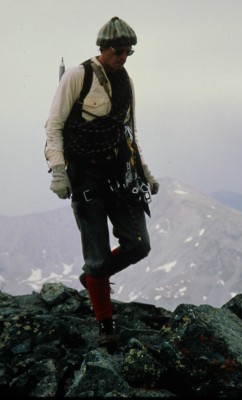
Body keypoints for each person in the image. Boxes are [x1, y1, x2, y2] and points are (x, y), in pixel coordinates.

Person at [45, 16, 159, 347]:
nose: (123, 57)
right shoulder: (77, 76)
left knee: (139, 244)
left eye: (128, 52)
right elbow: (54, 125)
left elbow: (129, 131)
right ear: (103, 49)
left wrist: (145, 173)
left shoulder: (126, 82)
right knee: (96, 254)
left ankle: (93, 280)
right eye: (119, 51)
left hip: (121, 173)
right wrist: (58, 170)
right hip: (85, 174)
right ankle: (105, 325)